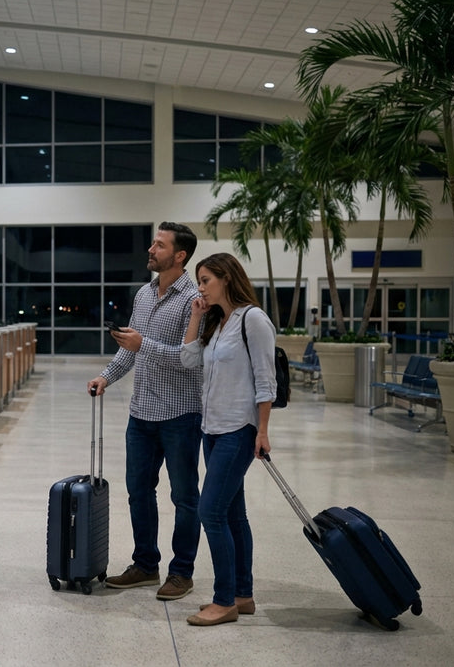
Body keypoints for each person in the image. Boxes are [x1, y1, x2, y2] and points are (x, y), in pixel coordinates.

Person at [87, 221, 203, 602]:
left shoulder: (194, 300)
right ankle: (145, 565)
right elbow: (131, 350)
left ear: (179, 255)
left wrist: (143, 344)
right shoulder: (143, 294)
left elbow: (192, 361)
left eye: (159, 245)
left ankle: (181, 572)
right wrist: (106, 376)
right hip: (142, 414)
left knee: (184, 496)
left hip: (181, 415)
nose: (151, 250)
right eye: (153, 243)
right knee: (139, 491)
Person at [179, 252, 276, 627]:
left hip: (239, 429)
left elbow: (265, 380)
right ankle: (242, 594)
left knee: (210, 511)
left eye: (206, 280)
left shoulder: (253, 319)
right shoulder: (219, 324)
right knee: (234, 514)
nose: (200, 287)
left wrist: (263, 431)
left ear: (226, 278)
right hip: (213, 429)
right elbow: (189, 361)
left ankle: (224, 601)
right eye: (199, 280)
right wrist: (196, 316)